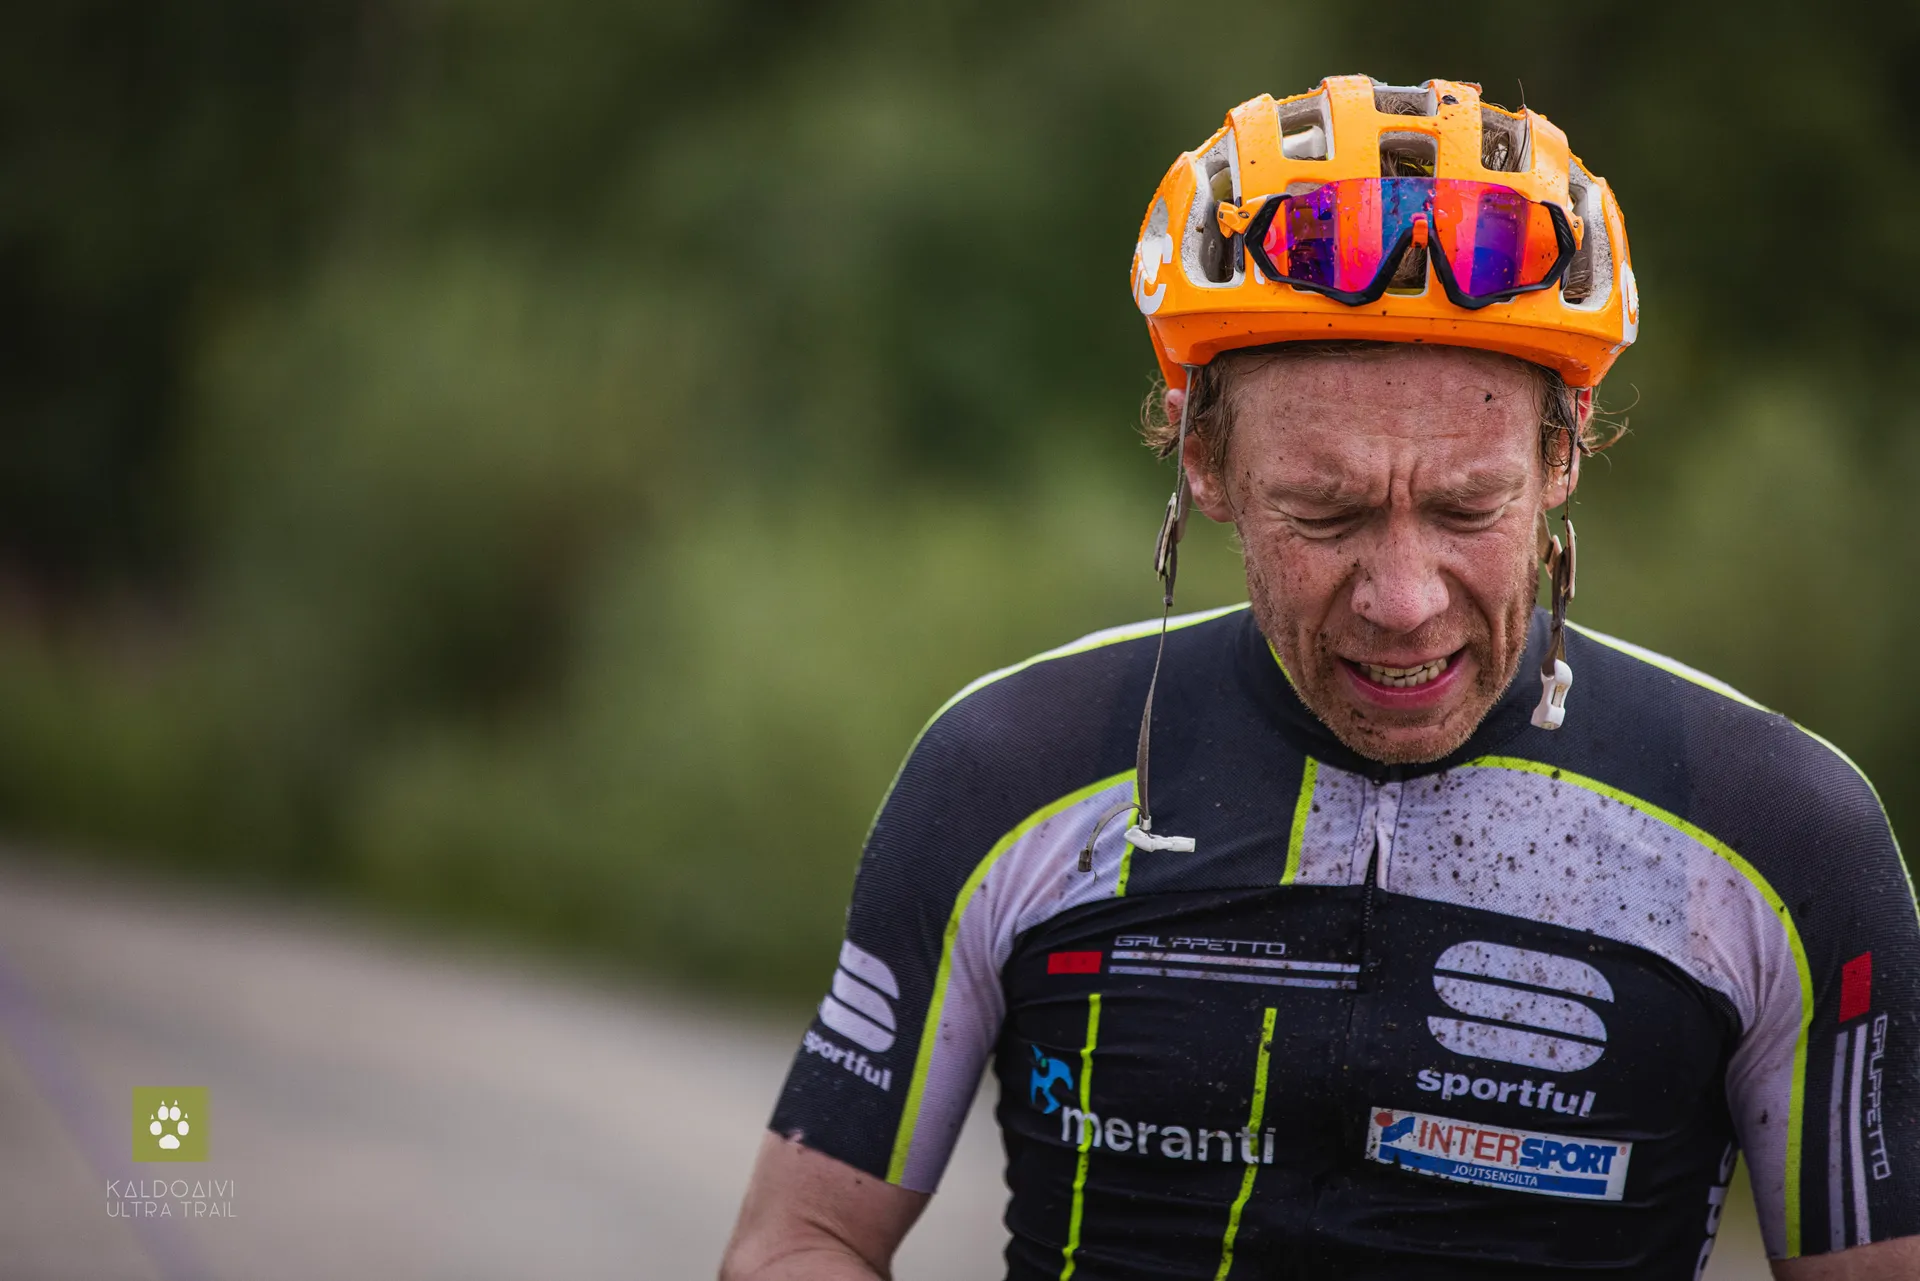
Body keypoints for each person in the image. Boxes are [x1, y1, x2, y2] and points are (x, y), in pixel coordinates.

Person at [720, 75, 1920, 1279]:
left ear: (1560, 458)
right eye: (1324, 510)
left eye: (1467, 506)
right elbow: (803, 1240)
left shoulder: (1779, 835)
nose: (1403, 600)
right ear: (1205, 462)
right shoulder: (1007, 772)